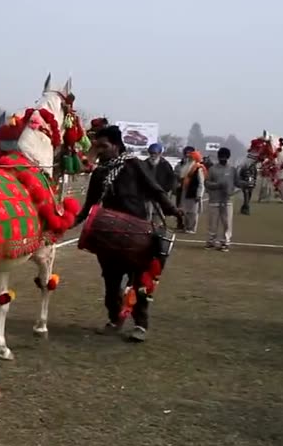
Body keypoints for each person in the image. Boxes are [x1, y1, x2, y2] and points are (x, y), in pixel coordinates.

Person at [72, 125, 184, 343]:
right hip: (108, 236)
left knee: (139, 281)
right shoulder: (99, 173)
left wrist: (173, 210)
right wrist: (71, 221)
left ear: (116, 145)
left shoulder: (134, 165)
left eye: (104, 146)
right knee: (111, 282)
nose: (101, 151)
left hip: (137, 234)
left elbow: (155, 190)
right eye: (98, 146)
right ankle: (115, 320)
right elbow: (90, 205)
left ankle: (140, 325)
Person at [205, 147, 236, 251]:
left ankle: (225, 242)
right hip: (214, 200)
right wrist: (217, 185)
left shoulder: (232, 170)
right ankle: (211, 241)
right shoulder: (212, 169)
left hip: (227, 201)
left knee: (227, 223)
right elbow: (207, 183)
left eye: (225, 157)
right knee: (212, 223)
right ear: (218, 157)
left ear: (228, 157)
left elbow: (237, 183)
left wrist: (246, 184)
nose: (223, 159)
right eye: (221, 157)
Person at [174, 146, 205, 233]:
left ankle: (191, 228)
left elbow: (201, 183)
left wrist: (199, 195)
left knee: (193, 212)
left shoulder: (198, 168)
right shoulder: (186, 167)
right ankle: (186, 226)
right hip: (185, 191)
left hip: (194, 192)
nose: (189, 159)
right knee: (185, 210)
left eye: (191, 157)